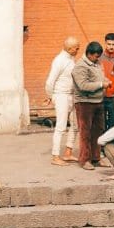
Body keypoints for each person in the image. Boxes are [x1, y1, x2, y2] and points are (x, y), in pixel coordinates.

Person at [72, 41, 109, 170]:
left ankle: (96, 157)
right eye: (95, 56)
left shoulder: (97, 63)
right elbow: (83, 85)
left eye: (99, 56)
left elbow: (98, 78)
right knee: (85, 132)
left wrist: (105, 81)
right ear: (88, 54)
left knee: (97, 131)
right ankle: (84, 159)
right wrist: (101, 84)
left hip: (98, 101)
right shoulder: (80, 66)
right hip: (85, 103)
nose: (97, 58)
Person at [45, 36, 80, 165]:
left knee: (75, 125)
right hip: (61, 96)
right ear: (70, 49)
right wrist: (51, 96)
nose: (78, 50)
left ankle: (68, 152)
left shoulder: (71, 59)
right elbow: (50, 82)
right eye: (77, 48)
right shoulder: (59, 60)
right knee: (61, 126)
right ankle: (55, 156)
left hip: (71, 95)